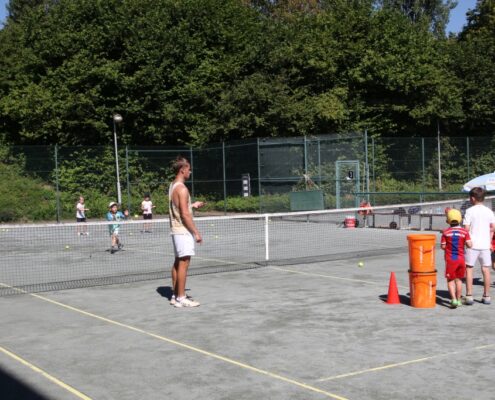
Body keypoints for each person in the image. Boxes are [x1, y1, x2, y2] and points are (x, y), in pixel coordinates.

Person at [168, 156, 205, 308]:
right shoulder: (182, 189)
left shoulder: (173, 186)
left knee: (178, 262)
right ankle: (181, 298)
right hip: (183, 231)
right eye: (189, 169)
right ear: (182, 170)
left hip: (176, 230)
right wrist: (196, 232)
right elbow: (184, 214)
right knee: (184, 263)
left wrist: (192, 205)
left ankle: (175, 295)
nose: (190, 172)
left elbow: (179, 207)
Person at [463, 187, 495, 305]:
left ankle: (469, 295)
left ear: (472, 198)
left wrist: (467, 240)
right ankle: (487, 296)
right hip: (485, 245)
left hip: (472, 244)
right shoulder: (489, 211)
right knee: (486, 270)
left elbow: (466, 228)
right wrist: (489, 240)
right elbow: (493, 228)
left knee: (469, 268)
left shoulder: (469, 211)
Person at [441, 209, 472, 308]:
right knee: (459, 280)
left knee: (450, 280)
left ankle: (453, 299)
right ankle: (458, 300)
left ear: (447, 220)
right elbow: (469, 245)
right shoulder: (464, 232)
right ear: (460, 219)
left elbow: (443, 246)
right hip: (461, 259)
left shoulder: (445, 232)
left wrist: (448, 247)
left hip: (450, 259)